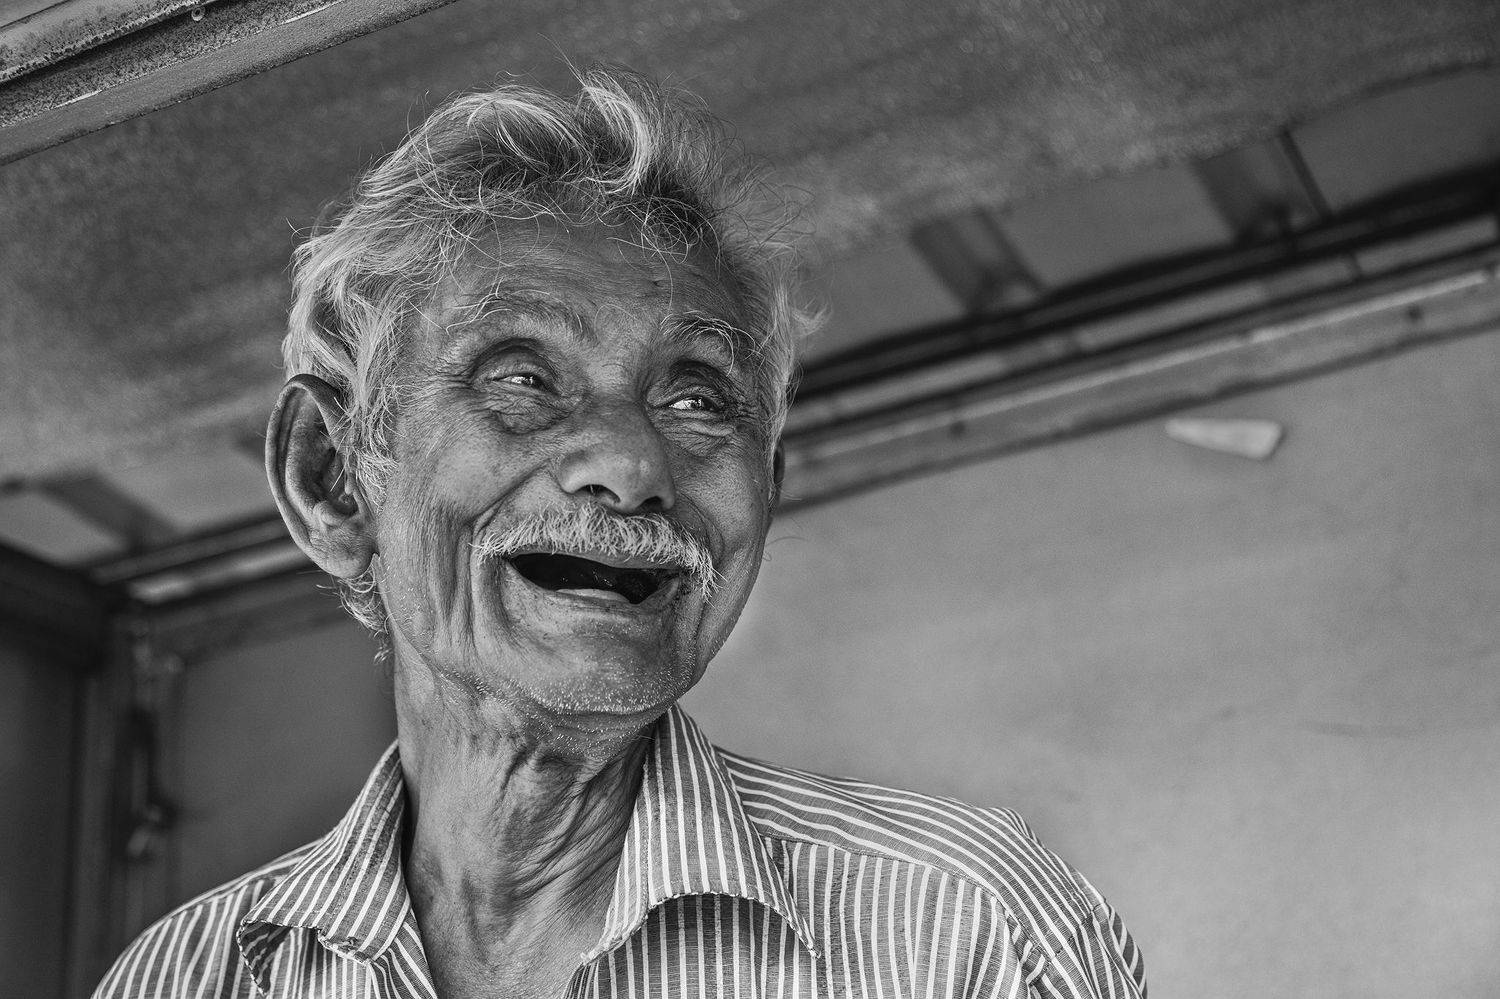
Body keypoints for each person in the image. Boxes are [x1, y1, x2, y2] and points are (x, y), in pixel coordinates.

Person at [94, 70, 1146, 999]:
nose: (635, 467)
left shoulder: (962, 934)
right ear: (330, 479)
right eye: (519, 378)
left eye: (697, 401)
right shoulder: (192, 976)